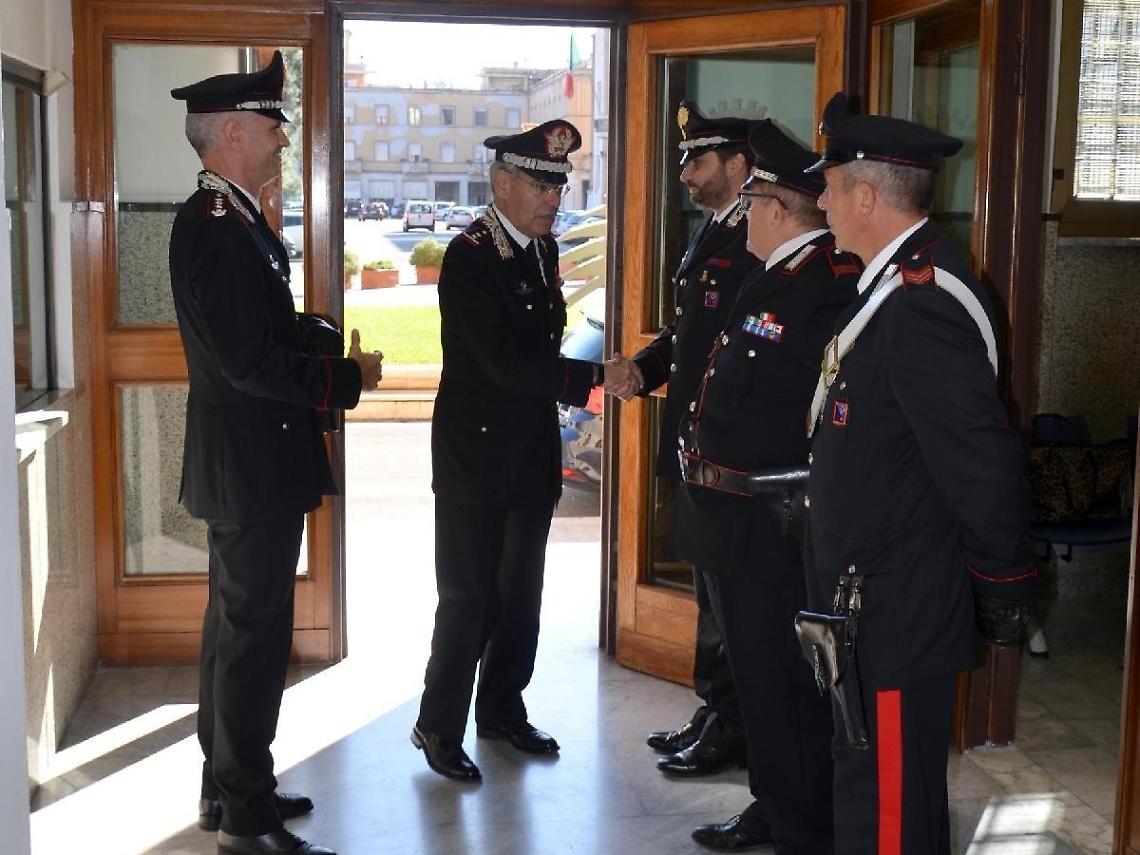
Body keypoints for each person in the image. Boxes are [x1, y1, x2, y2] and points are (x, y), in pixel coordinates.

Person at [803, 92, 1036, 854]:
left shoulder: (921, 306)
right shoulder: (886, 290)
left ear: (867, 196)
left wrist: (1005, 585)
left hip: (899, 617)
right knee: (871, 802)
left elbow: (981, 463)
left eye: (831, 187)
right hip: (869, 606)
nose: (822, 201)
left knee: (895, 821)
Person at [169, 52, 382, 855]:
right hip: (250, 464)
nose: (282, 141)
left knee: (236, 628)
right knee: (251, 637)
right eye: (271, 126)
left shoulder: (231, 217)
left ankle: (227, 786)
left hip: (247, 461)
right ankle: (244, 810)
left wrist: (313, 339)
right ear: (231, 132)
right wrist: (343, 377)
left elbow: (256, 336)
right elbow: (246, 363)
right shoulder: (221, 230)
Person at [412, 119, 627, 782]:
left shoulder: (541, 251)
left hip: (529, 455)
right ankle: (438, 724)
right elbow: (504, 364)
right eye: (540, 184)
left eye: (558, 187)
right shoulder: (470, 255)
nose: (553, 199)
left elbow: (533, 353)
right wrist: (594, 376)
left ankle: (501, 708)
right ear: (501, 181)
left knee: (519, 597)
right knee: (469, 598)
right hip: (475, 458)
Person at [671, 121, 860, 854]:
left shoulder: (821, 286)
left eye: (752, 204)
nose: (741, 217)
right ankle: (773, 805)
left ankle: (803, 828)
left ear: (780, 209)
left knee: (783, 692)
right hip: (733, 519)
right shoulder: (771, 274)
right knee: (757, 687)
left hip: (771, 526)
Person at [611, 101, 759, 778]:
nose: (686, 174)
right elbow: (689, 331)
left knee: (728, 592)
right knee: (707, 586)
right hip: (694, 440)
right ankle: (715, 708)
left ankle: (733, 724)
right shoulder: (710, 232)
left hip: (731, 448)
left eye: (698, 160)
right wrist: (644, 370)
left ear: (738, 164)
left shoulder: (760, 237)